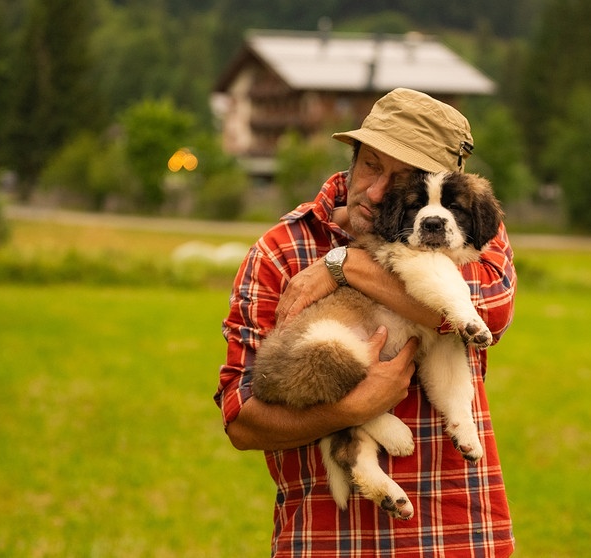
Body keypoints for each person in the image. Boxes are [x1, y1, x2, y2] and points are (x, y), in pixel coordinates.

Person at [215, 88, 517, 557]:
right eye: (371, 165)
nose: (376, 192)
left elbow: (490, 313)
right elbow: (242, 422)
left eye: (402, 179)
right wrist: (353, 409)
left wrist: (345, 264)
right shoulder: (280, 250)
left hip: (456, 530)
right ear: (352, 158)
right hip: (328, 538)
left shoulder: (462, 230)